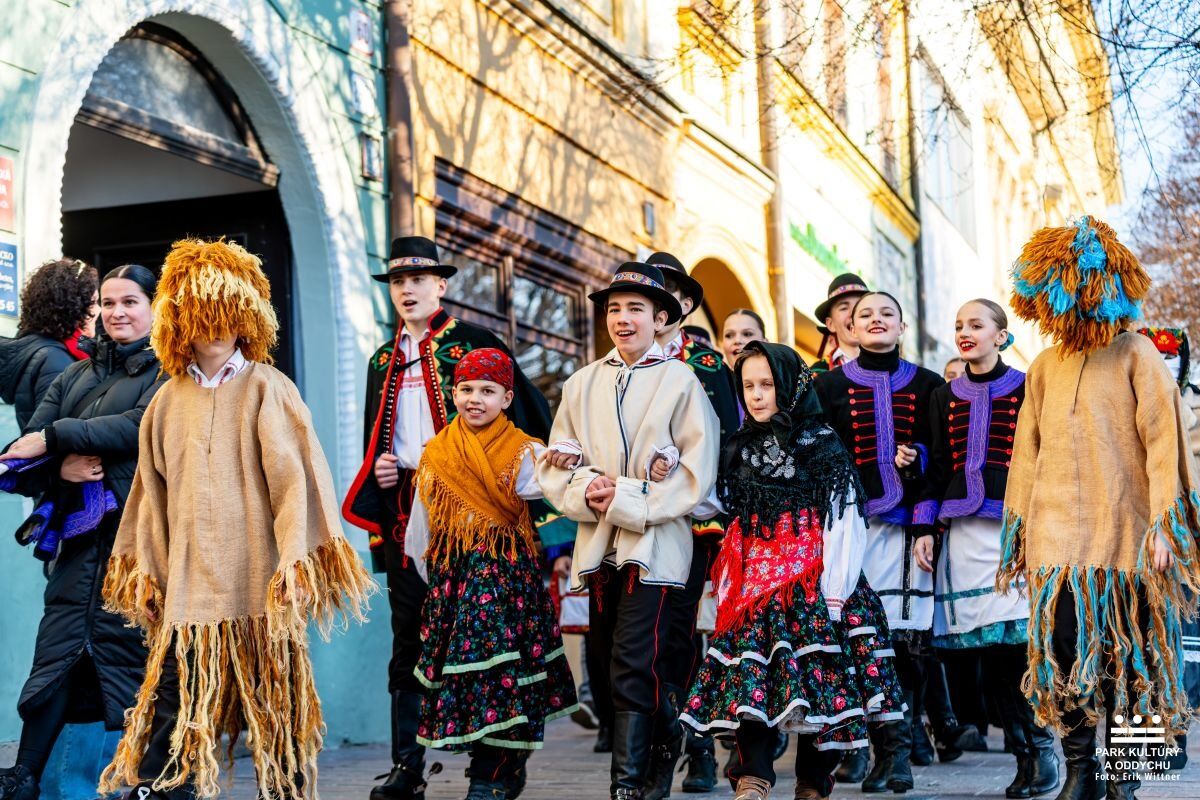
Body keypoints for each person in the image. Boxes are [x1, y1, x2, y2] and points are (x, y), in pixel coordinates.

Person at [96, 239, 375, 800]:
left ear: (246, 317)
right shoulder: (166, 402)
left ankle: (288, 789)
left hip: (258, 587)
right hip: (189, 590)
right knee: (176, 702)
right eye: (204, 317)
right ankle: (163, 789)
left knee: (275, 707)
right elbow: (149, 499)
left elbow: (299, 483)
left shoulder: (269, 388)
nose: (216, 330)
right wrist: (148, 569)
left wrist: (297, 563)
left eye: (227, 316)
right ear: (183, 323)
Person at [341, 236, 554, 800]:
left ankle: (496, 770)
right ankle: (407, 766)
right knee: (408, 641)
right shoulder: (381, 359)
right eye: (398, 282)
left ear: (441, 285)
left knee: (486, 642)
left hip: (477, 515)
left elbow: (529, 416)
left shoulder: (475, 343)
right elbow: (374, 433)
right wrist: (382, 468)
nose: (407, 290)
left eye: (419, 280)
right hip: (408, 506)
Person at [998, 217, 1200, 800]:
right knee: (1066, 653)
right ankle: (1083, 768)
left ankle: (1125, 777)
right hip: (1058, 537)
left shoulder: (1138, 353)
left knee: (1130, 657)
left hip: (1130, 534)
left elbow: (1166, 444)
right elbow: (1025, 456)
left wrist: (1167, 525)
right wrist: (1023, 532)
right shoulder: (1043, 366)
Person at [679, 341, 905, 800]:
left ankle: (813, 784)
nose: (757, 395)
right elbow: (717, 501)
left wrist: (836, 594)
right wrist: (668, 470)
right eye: (748, 386)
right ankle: (753, 777)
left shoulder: (821, 443)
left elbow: (844, 519)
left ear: (791, 387)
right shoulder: (738, 445)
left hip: (816, 583)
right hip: (755, 588)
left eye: (768, 385)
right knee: (751, 682)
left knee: (824, 682)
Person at [537, 261, 720, 800]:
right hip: (599, 547)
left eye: (635, 308)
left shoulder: (682, 381)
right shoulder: (581, 382)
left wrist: (625, 497)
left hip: (659, 546)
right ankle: (662, 754)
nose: (622, 318)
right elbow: (557, 462)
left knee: (639, 658)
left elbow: (696, 475)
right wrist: (586, 489)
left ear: (661, 317)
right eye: (614, 308)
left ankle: (627, 786)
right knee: (620, 661)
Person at [0, 265, 163, 800]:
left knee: (133, 664)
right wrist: (59, 465)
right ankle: (23, 777)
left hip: (135, 546)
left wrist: (56, 437)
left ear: (154, 307)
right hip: (76, 546)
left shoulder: (168, 372)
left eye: (130, 302)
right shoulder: (75, 374)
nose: (117, 312)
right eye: (109, 302)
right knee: (58, 657)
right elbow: (21, 452)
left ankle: (147, 783)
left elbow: (141, 427)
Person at [401, 347, 577, 800]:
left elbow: (557, 492)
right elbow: (422, 527)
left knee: (504, 676)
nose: (474, 398)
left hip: (507, 585)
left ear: (506, 396)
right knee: (472, 679)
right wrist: (438, 584)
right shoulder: (435, 454)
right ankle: (495, 768)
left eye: (487, 390)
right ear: (452, 392)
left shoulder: (526, 451)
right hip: (455, 584)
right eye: (465, 389)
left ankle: (493, 774)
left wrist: (571, 467)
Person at [914, 299, 1058, 798]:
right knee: (991, 651)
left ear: (1001, 335)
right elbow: (935, 471)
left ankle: (1042, 753)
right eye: (958, 326)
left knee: (1020, 647)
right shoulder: (942, 394)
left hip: (1015, 532)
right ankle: (1025, 756)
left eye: (976, 325)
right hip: (964, 537)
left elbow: (1045, 456)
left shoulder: (1028, 386)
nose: (964, 332)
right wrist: (925, 529)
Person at [813, 291, 946, 794]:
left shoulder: (931, 384)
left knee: (907, 643)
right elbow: (817, 453)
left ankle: (904, 748)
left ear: (901, 325)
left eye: (885, 313)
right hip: (849, 529)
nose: (874, 320)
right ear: (848, 324)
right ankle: (875, 748)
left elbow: (946, 458)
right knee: (858, 640)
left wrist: (923, 469)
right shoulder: (827, 386)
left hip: (908, 531)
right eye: (864, 314)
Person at [645, 252, 741, 797]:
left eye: (668, 296)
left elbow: (728, 440)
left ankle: (703, 750)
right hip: (640, 524)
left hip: (702, 523)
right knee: (662, 642)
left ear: (681, 306)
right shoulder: (617, 369)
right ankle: (667, 749)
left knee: (700, 633)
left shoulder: (706, 367)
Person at [0, 258, 99, 431]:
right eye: (94, 302)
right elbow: (50, 433)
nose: (98, 310)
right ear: (75, 307)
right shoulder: (55, 359)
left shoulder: (41, 349)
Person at [811, 273, 869, 374]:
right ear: (831, 324)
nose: (854, 313)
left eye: (860, 305)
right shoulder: (816, 376)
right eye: (844, 308)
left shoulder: (895, 368)